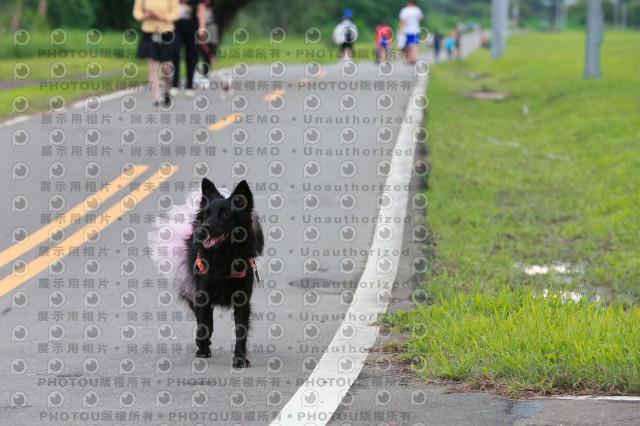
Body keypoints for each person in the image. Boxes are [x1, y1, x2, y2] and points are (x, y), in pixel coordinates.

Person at [133, 0, 181, 107]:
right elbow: (137, 12)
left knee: (166, 68)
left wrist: (161, 17)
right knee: (153, 66)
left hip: (166, 32)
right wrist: (146, 16)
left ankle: (167, 91)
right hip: (149, 32)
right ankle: (157, 98)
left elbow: (176, 13)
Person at [170, 0, 206, 98]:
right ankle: (174, 85)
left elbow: (201, 10)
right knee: (175, 53)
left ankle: (189, 86)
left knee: (192, 56)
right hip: (176, 29)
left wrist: (202, 26)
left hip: (192, 29)